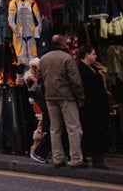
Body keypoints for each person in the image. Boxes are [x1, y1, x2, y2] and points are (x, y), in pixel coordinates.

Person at [37, 34, 86, 169]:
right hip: (66, 97)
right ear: (63, 44)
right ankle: (76, 158)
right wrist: (80, 98)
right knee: (73, 128)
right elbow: (75, 81)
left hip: (50, 97)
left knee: (55, 129)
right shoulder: (67, 58)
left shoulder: (44, 59)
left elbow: (38, 77)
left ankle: (57, 158)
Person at [77, 45, 110, 169]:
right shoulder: (81, 69)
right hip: (91, 107)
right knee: (93, 133)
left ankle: (95, 158)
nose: (96, 56)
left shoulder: (92, 68)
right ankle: (95, 159)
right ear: (86, 55)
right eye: (93, 53)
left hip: (96, 107)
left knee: (94, 133)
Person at [22, 57, 50, 164]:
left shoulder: (34, 77)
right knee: (41, 126)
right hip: (38, 104)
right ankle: (36, 149)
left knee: (42, 125)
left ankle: (36, 149)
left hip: (39, 103)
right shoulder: (31, 77)